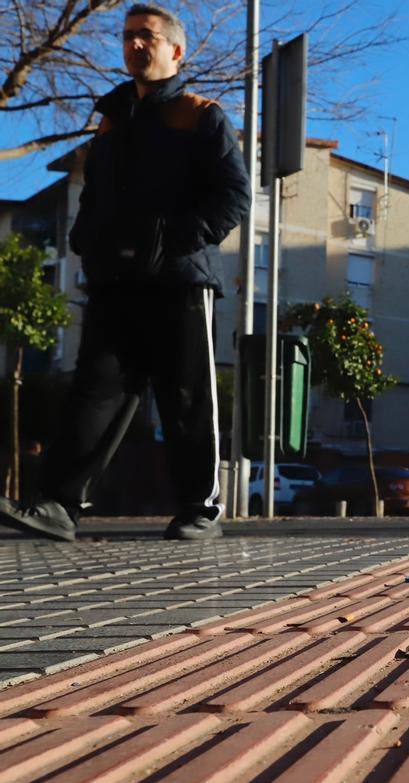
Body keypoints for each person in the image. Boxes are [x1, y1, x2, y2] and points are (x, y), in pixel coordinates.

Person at [0, 4, 250, 542]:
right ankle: (60, 506)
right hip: (116, 283)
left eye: (148, 37)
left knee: (186, 397)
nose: (135, 44)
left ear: (176, 51)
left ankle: (200, 509)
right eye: (129, 36)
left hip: (183, 281)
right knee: (95, 390)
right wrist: (85, 240)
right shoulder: (112, 120)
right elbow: (93, 195)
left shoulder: (200, 114)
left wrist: (177, 240)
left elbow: (234, 196)